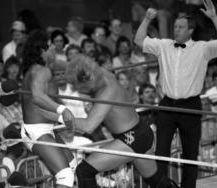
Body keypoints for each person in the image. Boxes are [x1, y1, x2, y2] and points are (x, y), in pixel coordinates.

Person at [134, 0, 217, 187]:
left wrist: (214, 17)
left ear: (190, 30)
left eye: (181, 27)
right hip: (167, 104)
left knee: (190, 154)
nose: (176, 30)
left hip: (190, 105)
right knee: (161, 152)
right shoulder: (164, 45)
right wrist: (146, 19)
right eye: (175, 26)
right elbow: (138, 40)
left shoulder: (202, 48)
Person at [66, 54, 178, 188]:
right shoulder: (100, 73)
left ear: (85, 80)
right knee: (157, 181)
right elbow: (80, 65)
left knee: (84, 171)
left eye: (78, 86)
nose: (78, 91)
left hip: (131, 138)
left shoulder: (107, 90)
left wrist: (59, 116)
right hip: (139, 132)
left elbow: (88, 126)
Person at [21, 29, 76, 188]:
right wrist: (62, 111)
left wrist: (60, 118)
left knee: (73, 167)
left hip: (44, 128)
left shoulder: (41, 68)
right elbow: (37, 97)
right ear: (42, 50)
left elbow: (43, 102)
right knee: (65, 176)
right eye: (51, 45)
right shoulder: (40, 70)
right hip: (36, 131)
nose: (55, 49)